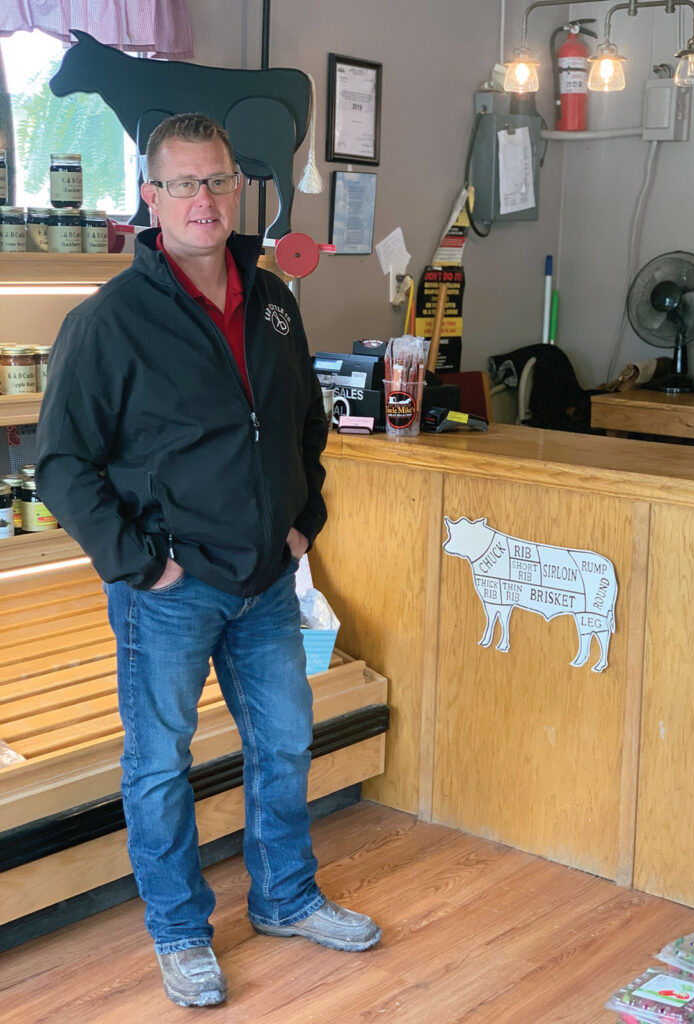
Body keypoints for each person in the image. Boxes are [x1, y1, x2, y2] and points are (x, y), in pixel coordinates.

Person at [35, 113, 381, 1008]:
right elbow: (63, 465)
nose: (203, 198)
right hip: (171, 592)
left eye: (217, 181)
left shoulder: (272, 300)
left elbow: (304, 422)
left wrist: (303, 521)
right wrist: (142, 565)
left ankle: (287, 898)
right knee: (158, 766)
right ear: (150, 198)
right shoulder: (108, 321)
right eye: (182, 183)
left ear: (238, 190)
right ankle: (181, 933)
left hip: (267, 580)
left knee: (285, 743)